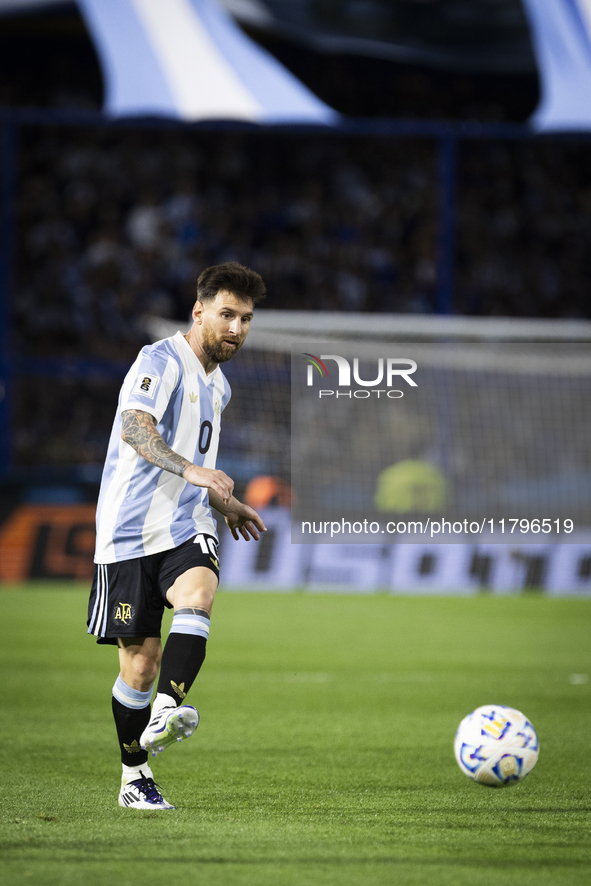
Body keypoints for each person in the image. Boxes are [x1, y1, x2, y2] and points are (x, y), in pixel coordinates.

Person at [87, 262, 267, 810]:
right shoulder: (159, 360)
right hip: (126, 531)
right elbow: (136, 427)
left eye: (246, 319)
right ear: (199, 311)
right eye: (227, 315)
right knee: (139, 662)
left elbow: (202, 462)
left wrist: (223, 500)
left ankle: (168, 708)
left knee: (199, 592)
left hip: (187, 522)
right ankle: (133, 776)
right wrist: (193, 471)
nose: (236, 328)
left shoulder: (221, 387)